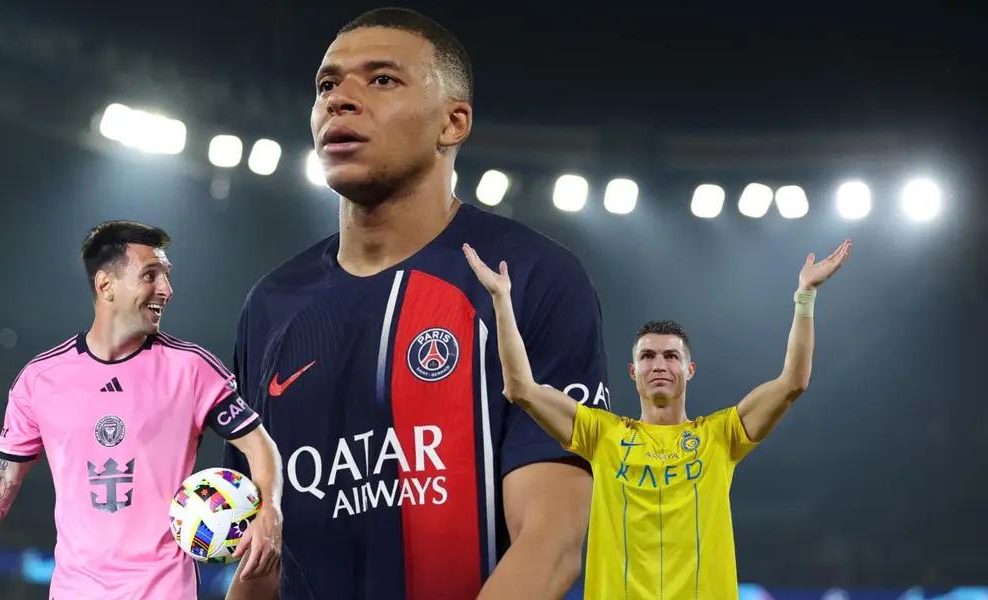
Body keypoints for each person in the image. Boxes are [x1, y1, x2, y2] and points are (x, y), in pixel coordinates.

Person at [224, 8, 610, 600]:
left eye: (382, 80)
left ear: (453, 123)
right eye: (327, 84)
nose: (340, 100)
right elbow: (259, 561)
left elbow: (552, 543)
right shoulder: (272, 306)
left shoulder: (531, 278)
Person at [463, 239, 852, 599]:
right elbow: (521, 389)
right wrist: (502, 300)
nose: (659, 364)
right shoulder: (601, 435)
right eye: (648, 356)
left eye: (671, 356)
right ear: (633, 371)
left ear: (690, 369)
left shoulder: (721, 435)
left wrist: (805, 297)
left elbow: (792, 382)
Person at [0, 221, 283, 600]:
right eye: (150, 275)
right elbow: (0, 480)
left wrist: (270, 509)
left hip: (163, 592)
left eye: (167, 277)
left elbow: (260, 446)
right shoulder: (41, 379)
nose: (167, 290)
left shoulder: (190, 368)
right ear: (105, 285)